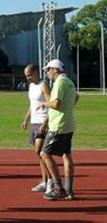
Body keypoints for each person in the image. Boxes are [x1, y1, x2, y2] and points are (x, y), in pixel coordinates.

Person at [39, 59, 79, 201]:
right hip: (68, 123)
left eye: (48, 69)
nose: (47, 73)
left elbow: (56, 103)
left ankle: (59, 188)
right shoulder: (69, 82)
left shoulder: (59, 82)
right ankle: (69, 190)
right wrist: (68, 109)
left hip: (58, 125)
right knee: (66, 155)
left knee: (44, 154)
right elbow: (77, 97)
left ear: (55, 69)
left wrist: (44, 103)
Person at [21, 64, 52, 193]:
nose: (27, 77)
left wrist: (45, 123)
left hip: (43, 121)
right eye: (26, 75)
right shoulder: (31, 86)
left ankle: (51, 181)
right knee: (39, 154)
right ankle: (45, 181)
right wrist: (26, 119)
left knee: (40, 151)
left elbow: (51, 104)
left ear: (36, 73)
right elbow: (32, 105)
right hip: (34, 122)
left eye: (29, 75)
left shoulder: (43, 85)